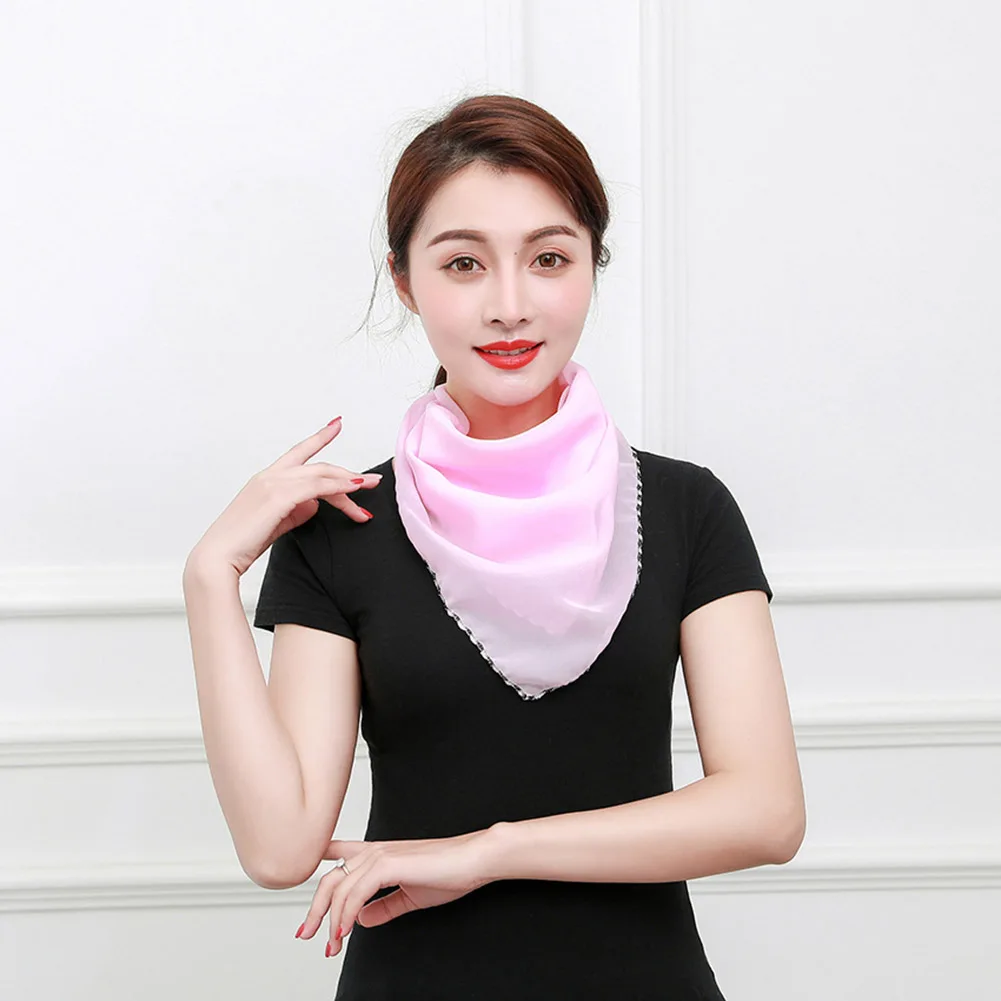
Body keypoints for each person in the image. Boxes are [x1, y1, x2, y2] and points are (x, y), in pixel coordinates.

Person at [182, 93, 805, 1000]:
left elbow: (766, 812)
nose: (509, 306)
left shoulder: (685, 508)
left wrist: (491, 850)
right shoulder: (342, 524)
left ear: (591, 265)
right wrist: (209, 577)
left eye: (548, 258)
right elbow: (279, 848)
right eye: (463, 263)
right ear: (404, 280)